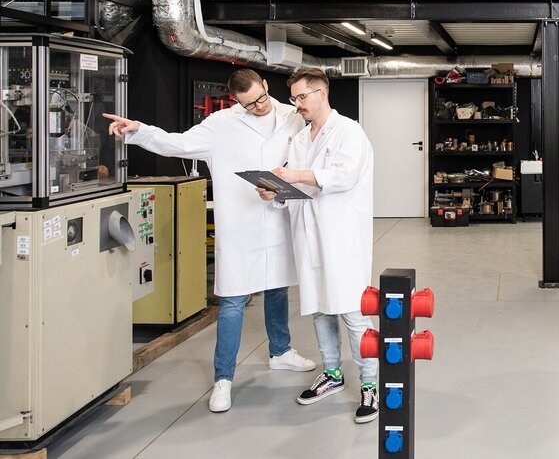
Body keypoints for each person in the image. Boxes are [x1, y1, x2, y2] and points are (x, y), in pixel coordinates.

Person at [102, 70, 315, 414]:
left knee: (278, 288)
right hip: (239, 224)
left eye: (261, 99)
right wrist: (139, 130)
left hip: (277, 217)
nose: (259, 107)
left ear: (265, 84)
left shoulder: (291, 118)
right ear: (236, 101)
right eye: (249, 105)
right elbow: (178, 143)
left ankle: (281, 351)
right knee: (232, 300)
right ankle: (224, 379)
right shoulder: (221, 124)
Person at [256, 69, 377, 424]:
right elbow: (300, 188)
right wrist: (275, 192)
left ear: (321, 93)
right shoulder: (300, 138)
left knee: (353, 311)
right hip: (307, 235)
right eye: (293, 98)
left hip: (341, 236)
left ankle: (370, 383)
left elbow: (343, 176)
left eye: (301, 97)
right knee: (320, 308)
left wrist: (292, 176)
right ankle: (332, 374)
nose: (297, 105)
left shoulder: (349, 131)